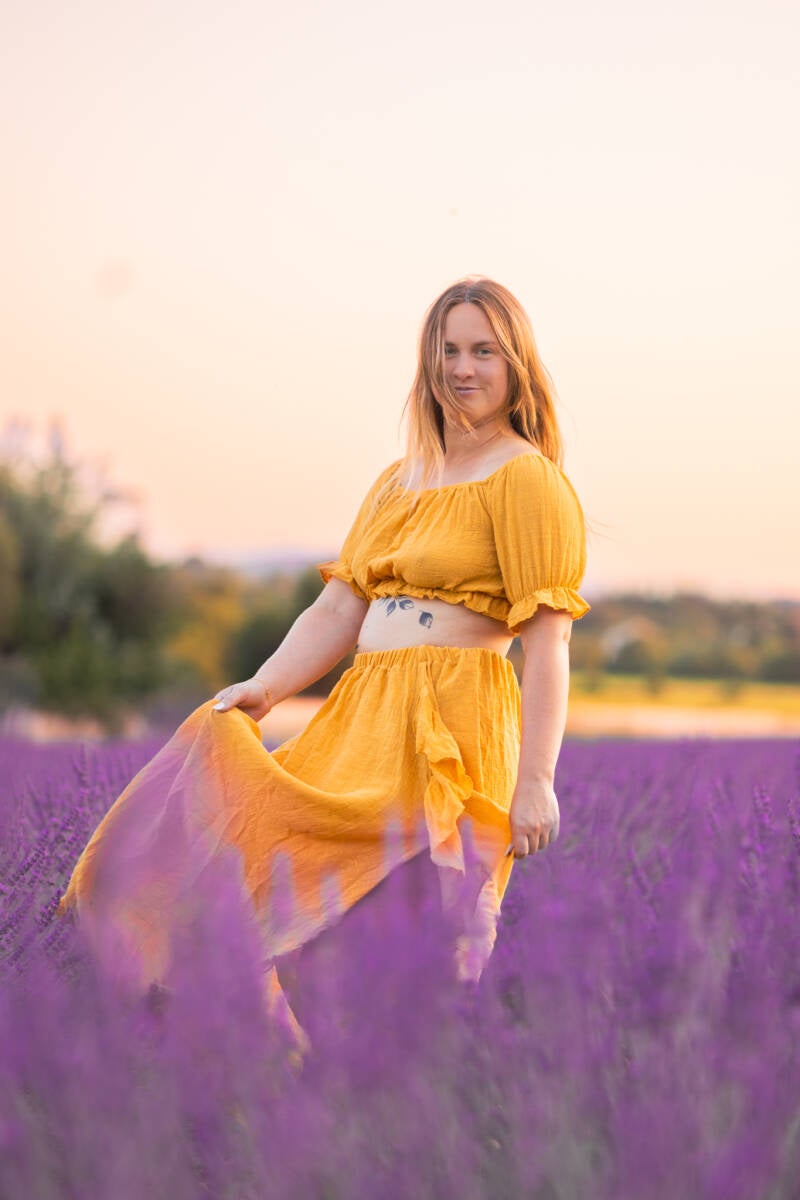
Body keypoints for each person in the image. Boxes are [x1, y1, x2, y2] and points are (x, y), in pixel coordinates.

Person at [56, 275, 590, 1045]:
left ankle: (397, 1080)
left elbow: (548, 639)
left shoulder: (527, 479)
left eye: (484, 352)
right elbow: (339, 609)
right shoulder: (396, 483)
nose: (463, 369)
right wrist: (266, 687)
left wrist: (536, 780)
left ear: (516, 364)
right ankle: (291, 1066)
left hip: (454, 717)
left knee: (423, 923)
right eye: (448, 351)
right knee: (260, 880)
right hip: (364, 715)